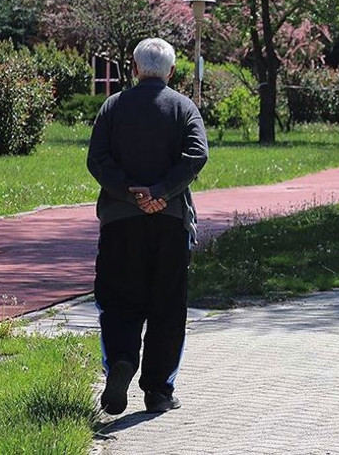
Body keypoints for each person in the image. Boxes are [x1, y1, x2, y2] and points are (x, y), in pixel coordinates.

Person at [87, 37, 208, 414]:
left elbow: (97, 159)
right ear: (171, 71)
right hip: (170, 222)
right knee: (167, 306)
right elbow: (197, 154)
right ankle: (158, 390)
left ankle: (121, 361)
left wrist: (130, 193)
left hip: (120, 222)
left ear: (135, 68)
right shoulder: (184, 107)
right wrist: (161, 192)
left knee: (118, 300)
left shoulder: (112, 106)